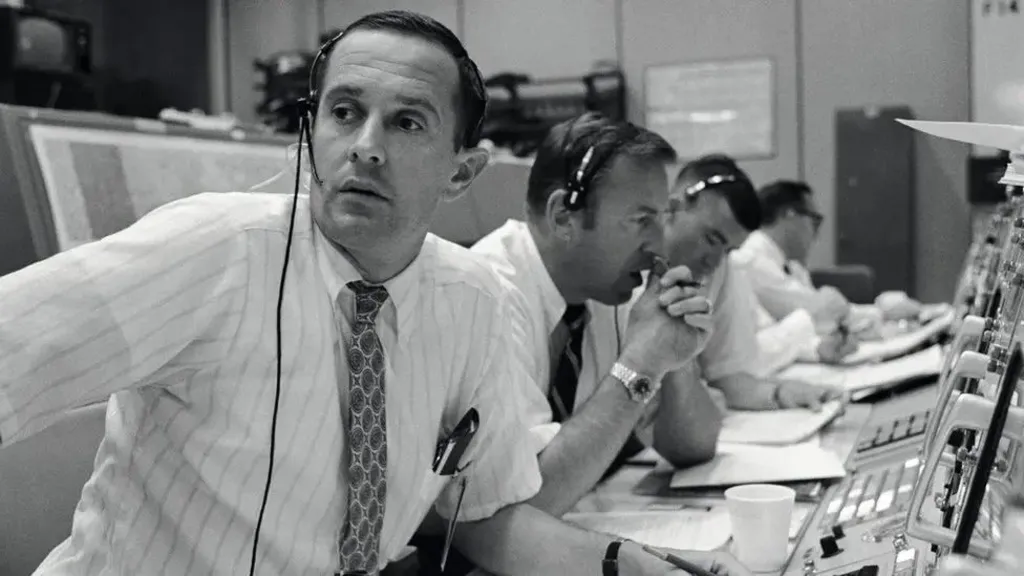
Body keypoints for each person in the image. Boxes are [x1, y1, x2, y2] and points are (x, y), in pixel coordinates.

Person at [0, 11, 750, 576]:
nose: (364, 145)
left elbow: (486, 516)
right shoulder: (215, 251)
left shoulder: (469, 299)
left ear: (461, 172)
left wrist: (622, 563)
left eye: (407, 122)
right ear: (311, 133)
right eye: (344, 112)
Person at [471, 113, 725, 517]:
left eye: (662, 219)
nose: (660, 246)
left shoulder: (610, 288)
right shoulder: (485, 296)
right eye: (641, 221)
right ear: (563, 216)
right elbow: (521, 504)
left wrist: (672, 357)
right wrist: (640, 364)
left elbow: (694, 448)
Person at [658, 155, 844, 412]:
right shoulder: (622, 272)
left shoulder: (723, 270)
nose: (714, 261)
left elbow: (727, 375)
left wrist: (780, 393)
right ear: (672, 206)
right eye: (711, 239)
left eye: (727, 250)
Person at [735, 179, 925, 340]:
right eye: (814, 221)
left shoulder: (790, 264)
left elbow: (830, 313)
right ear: (790, 214)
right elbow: (818, 314)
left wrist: (882, 313)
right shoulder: (752, 260)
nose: (816, 234)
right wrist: (881, 313)